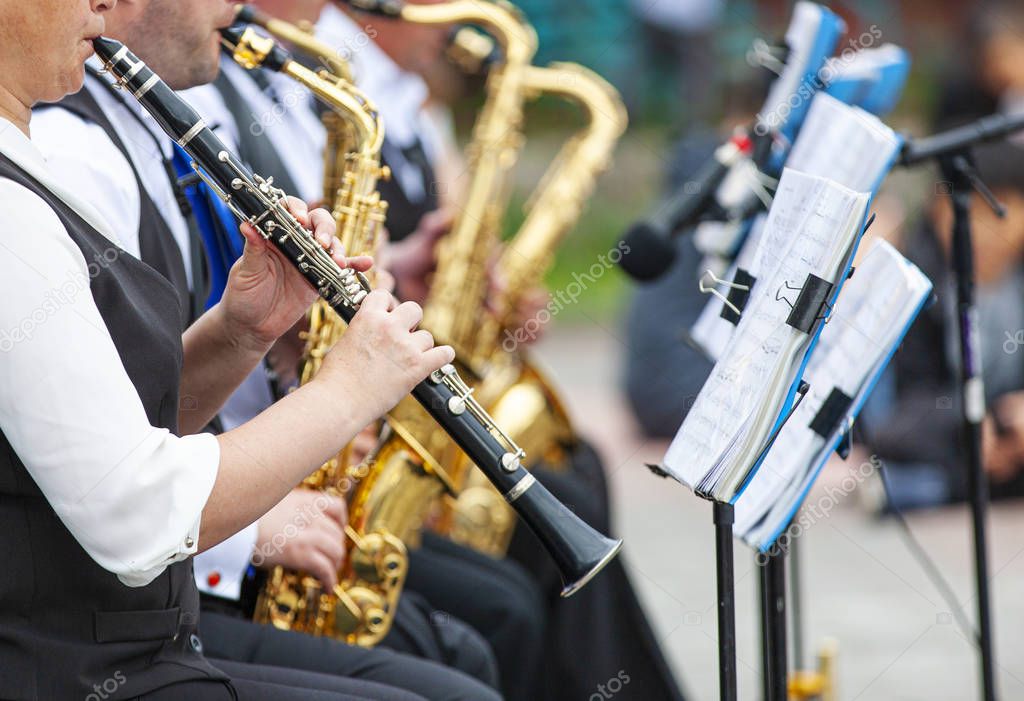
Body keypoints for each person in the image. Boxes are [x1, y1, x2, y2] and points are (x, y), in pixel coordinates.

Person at [30, 1, 503, 699]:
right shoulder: (64, 160)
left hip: (155, 585)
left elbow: (135, 415)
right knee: (469, 658)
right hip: (108, 620)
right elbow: (110, 488)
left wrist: (248, 331)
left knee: (478, 639)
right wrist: (341, 397)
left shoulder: (171, 117)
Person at [865, 141, 1024, 509]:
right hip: (947, 445)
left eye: (997, 211)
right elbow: (892, 416)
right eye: (966, 211)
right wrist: (967, 418)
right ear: (937, 211)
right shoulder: (912, 285)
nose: (980, 230)